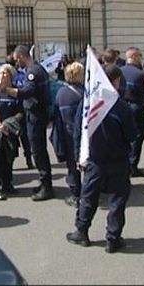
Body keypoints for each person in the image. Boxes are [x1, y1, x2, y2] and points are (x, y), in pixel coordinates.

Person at [66, 64, 138, 253]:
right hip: (117, 160)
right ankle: (112, 238)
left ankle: (82, 231)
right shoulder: (121, 106)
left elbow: (78, 133)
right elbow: (132, 134)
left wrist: (78, 157)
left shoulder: (88, 103)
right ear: (116, 81)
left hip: (94, 160)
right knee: (117, 200)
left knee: (88, 197)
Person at [0, 45, 53, 201]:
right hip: (36, 113)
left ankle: (47, 186)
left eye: (16, 60)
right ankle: (44, 183)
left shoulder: (33, 71)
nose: (16, 63)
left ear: (22, 56)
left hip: (36, 114)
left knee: (38, 151)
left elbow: (27, 92)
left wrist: (6, 89)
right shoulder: (36, 69)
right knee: (38, 150)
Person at [0, 64, 23, 201]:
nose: (2, 75)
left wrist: (11, 122)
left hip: (10, 130)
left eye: (5, 73)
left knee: (9, 158)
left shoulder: (15, 91)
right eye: (1, 73)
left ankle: (7, 184)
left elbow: (21, 111)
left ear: (11, 75)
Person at [54, 62, 84, 207]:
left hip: (68, 133)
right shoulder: (87, 91)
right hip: (86, 132)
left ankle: (75, 194)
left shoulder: (62, 93)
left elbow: (58, 116)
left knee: (73, 165)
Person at [120, 47, 144, 177]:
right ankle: (133, 165)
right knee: (137, 137)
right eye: (140, 56)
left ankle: (125, 164)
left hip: (121, 106)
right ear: (134, 56)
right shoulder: (141, 74)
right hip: (137, 107)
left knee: (122, 136)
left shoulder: (119, 72)